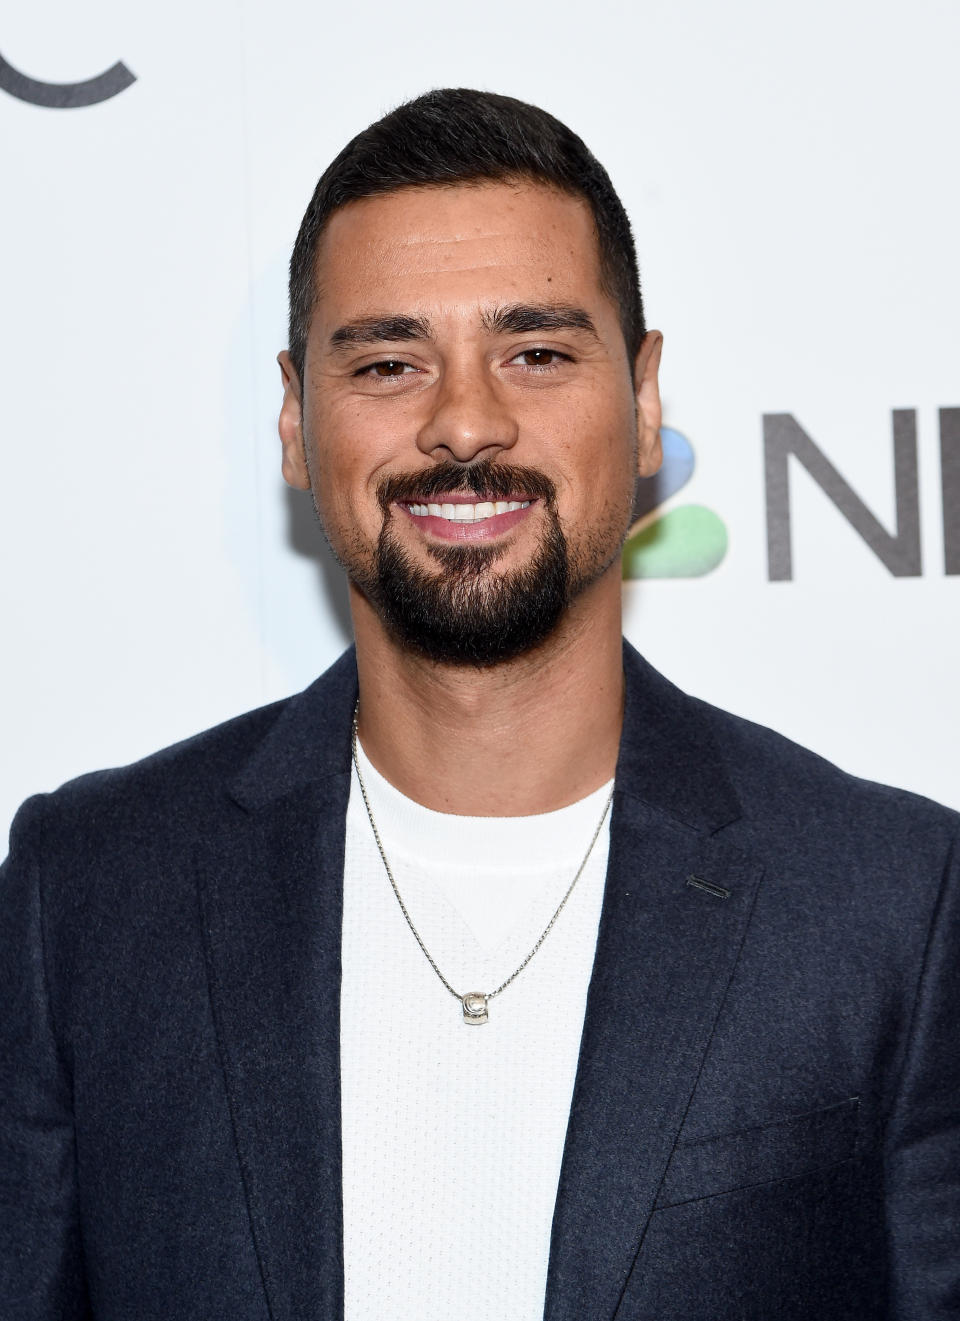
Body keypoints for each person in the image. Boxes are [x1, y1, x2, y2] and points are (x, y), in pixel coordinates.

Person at [1, 88, 957, 1321]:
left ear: (644, 394)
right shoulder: (86, 894)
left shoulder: (890, 903)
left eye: (537, 353)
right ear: (298, 418)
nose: (464, 422)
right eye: (390, 362)